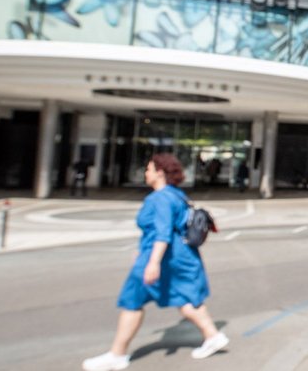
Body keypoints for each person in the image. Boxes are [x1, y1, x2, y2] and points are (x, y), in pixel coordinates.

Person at [81, 154, 228, 371]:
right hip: (182, 256)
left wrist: (153, 262)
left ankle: (117, 354)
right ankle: (212, 335)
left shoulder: (160, 198)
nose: (145, 173)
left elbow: (162, 233)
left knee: (132, 300)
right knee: (185, 298)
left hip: (163, 257)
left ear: (160, 172)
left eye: (148, 169)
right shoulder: (177, 195)